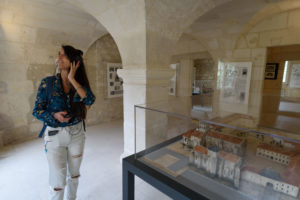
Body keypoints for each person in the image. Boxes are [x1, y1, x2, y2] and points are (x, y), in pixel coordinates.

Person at [32, 45, 95, 200]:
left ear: (74, 62)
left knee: (74, 175)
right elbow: (37, 110)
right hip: (54, 136)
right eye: (58, 54)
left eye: (63, 55)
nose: (58, 58)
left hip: (77, 134)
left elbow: (89, 99)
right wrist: (54, 116)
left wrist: (72, 79)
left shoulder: (79, 85)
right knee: (57, 181)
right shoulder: (48, 83)